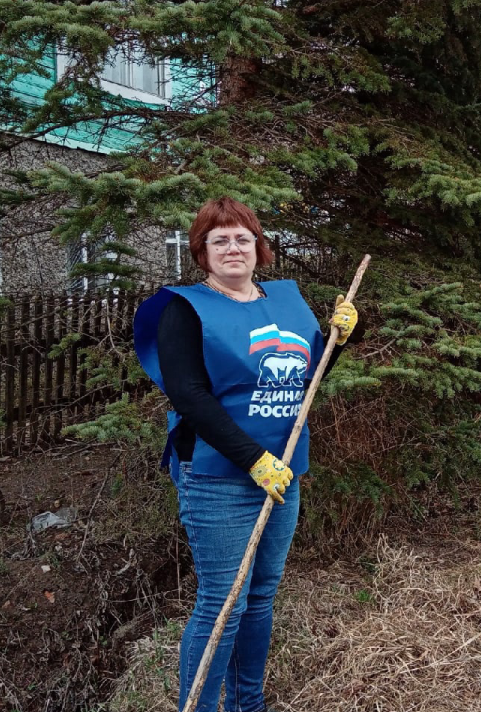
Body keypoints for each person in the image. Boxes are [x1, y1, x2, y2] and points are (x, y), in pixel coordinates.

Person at [133, 197, 359, 712]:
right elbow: (189, 396)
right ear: (202, 252)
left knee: (259, 597)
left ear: (259, 246)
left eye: (242, 238)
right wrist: (251, 459)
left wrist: (342, 338)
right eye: (220, 240)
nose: (233, 248)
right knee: (222, 605)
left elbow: (308, 375)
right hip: (217, 477)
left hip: (283, 474)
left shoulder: (284, 301)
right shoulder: (183, 309)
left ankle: (248, 704)